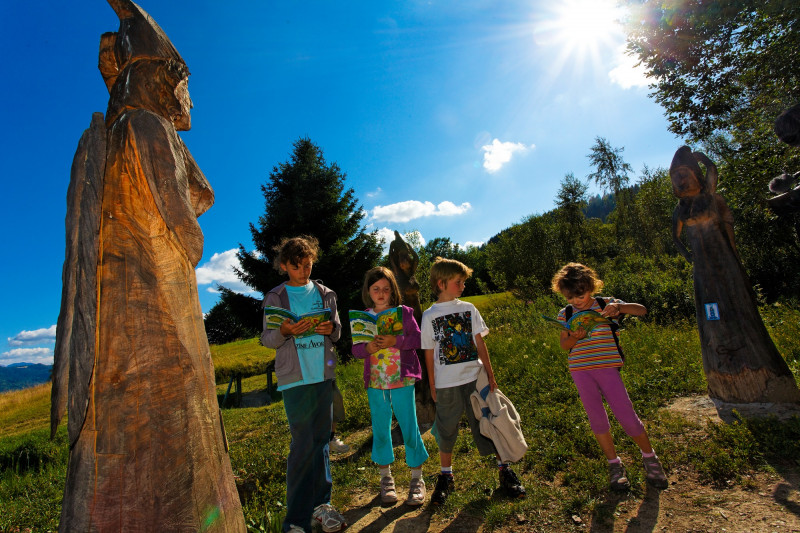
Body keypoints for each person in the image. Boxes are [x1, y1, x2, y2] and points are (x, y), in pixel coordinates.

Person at [550, 262, 668, 490]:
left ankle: (650, 458)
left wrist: (620, 308)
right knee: (597, 418)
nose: (576, 301)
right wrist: (575, 337)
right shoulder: (565, 313)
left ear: (591, 287)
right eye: (569, 297)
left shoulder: (606, 304)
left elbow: (642, 310)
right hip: (580, 371)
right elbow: (565, 345)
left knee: (626, 415)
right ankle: (614, 464)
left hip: (607, 369)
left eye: (580, 295)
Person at [421, 257, 526, 505]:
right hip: (446, 384)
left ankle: (505, 470)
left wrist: (490, 373)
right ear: (441, 283)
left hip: (475, 379)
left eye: (463, 282)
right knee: (446, 428)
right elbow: (428, 352)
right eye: (458, 282)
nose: (463, 286)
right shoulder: (429, 315)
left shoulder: (469, 308)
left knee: (491, 420)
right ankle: (446, 476)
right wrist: (432, 385)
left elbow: (479, 342)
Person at [261, 236, 346, 533]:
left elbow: (337, 332)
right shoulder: (275, 297)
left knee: (321, 441)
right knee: (302, 445)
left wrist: (330, 328)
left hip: (322, 376)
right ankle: (296, 520)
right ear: (284, 266)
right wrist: (284, 331)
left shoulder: (326, 294)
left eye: (308, 265)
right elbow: (267, 339)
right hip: (295, 381)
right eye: (296, 266)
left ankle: (322, 507)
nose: (303, 271)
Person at [352, 267, 429, 506]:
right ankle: (386, 478)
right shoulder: (363, 319)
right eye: (376, 289)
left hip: (402, 379)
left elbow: (419, 339)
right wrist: (368, 348)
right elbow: (356, 350)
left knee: (409, 425)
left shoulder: (404, 313)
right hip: (376, 383)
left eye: (386, 288)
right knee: (381, 428)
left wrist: (397, 340)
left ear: (393, 290)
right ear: (368, 291)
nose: (381, 293)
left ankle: (417, 478)